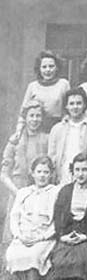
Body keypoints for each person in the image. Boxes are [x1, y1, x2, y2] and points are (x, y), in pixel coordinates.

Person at [5, 156, 59, 280]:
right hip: (23, 236)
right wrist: (19, 235)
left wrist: (42, 236)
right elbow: (14, 217)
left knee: (34, 257)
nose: (42, 175)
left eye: (46, 172)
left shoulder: (56, 192)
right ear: (32, 173)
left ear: (51, 174)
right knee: (12, 256)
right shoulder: (23, 192)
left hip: (43, 237)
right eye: (39, 172)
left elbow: (58, 220)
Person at [1, 100, 48, 243]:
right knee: (14, 233)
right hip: (17, 190)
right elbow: (3, 174)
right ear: (25, 118)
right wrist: (18, 193)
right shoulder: (15, 140)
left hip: (40, 192)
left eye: (38, 116)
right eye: (31, 115)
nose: (34, 119)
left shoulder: (47, 139)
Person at [48, 88, 87, 184]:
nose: (75, 107)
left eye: (79, 103)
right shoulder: (57, 129)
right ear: (66, 106)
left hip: (84, 175)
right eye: (72, 104)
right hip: (62, 175)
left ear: (85, 105)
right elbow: (51, 156)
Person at [19, 50, 70, 131]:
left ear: (57, 68)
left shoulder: (63, 84)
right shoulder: (33, 86)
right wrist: (18, 131)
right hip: (36, 128)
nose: (48, 70)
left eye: (51, 66)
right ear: (39, 69)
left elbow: (69, 109)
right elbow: (23, 113)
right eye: (44, 67)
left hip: (57, 128)